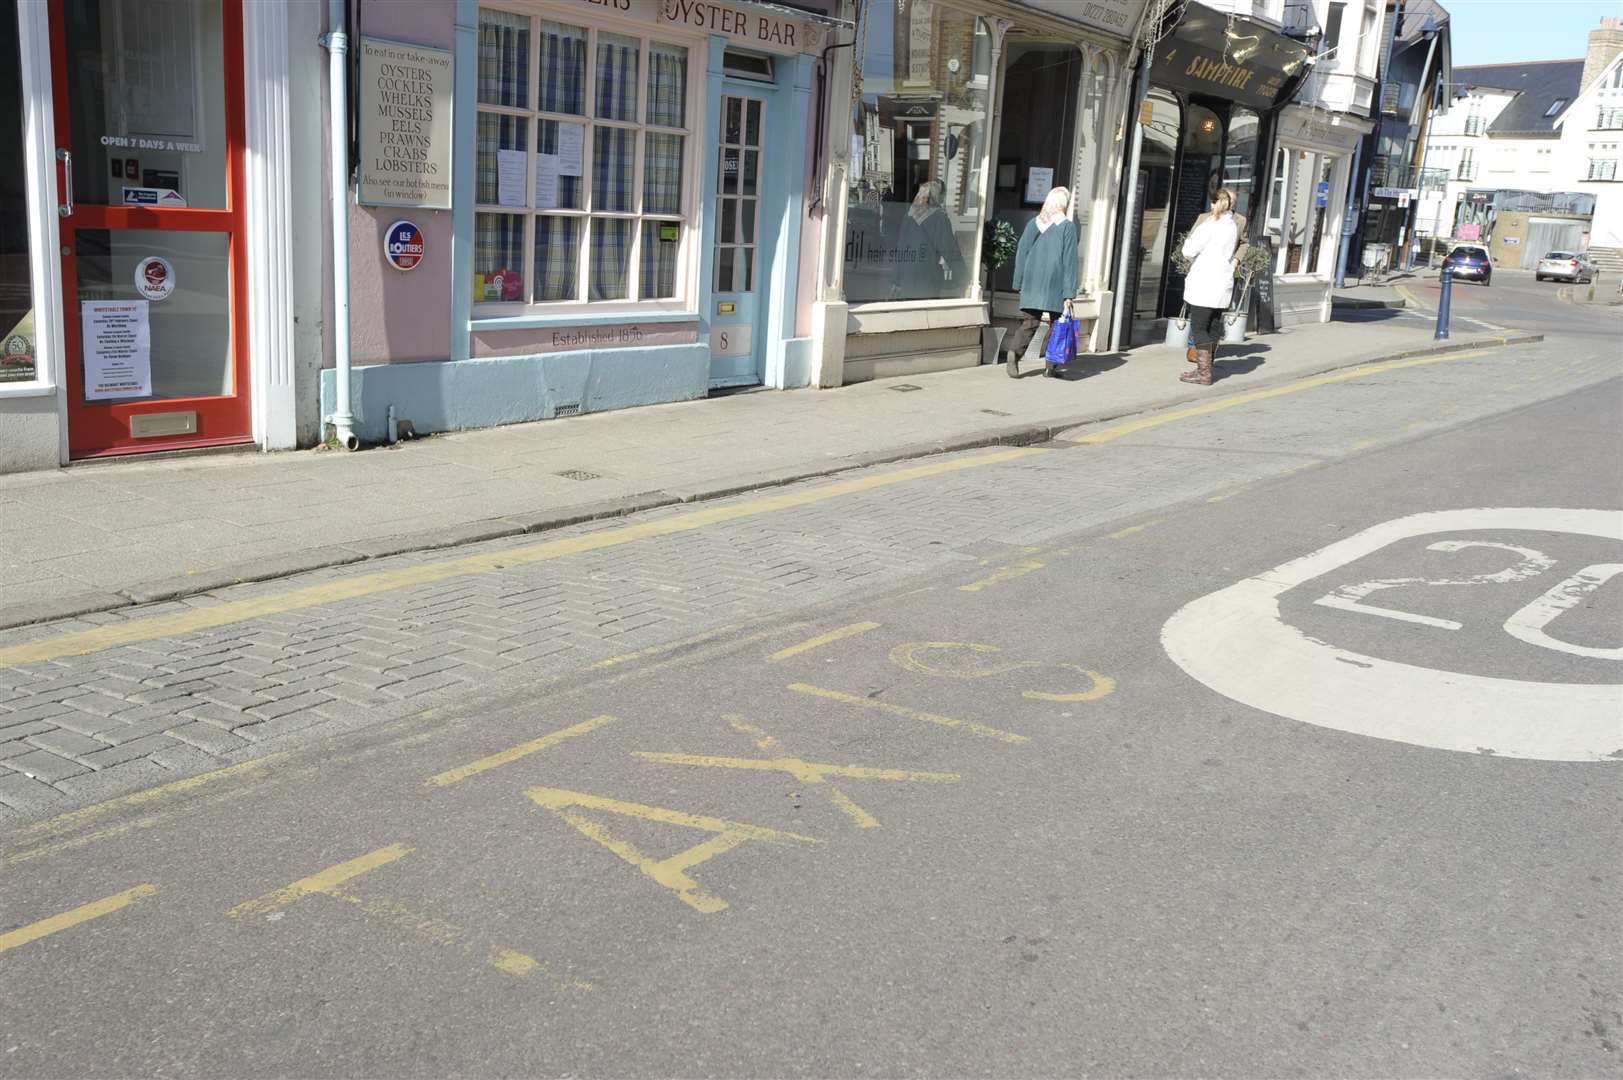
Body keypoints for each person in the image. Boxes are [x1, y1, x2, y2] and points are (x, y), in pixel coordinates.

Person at [1006, 186, 1080, 378]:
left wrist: (1018, 281)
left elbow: (1022, 253)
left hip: (1032, 281)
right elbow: (1069, 261)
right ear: (1064, 204)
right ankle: (1050, 367)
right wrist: (1069, 293)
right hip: (1055, 283)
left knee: (1030, 322)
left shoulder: (1034, 223)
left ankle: (1014, 352)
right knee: (1058, 325)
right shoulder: (1067, 227)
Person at [1178, 186, 1240, 386]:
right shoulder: (1231, 225)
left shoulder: (1209, 225)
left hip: (1205, 282)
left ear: (1214, 203)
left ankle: (1203, 373)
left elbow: (1188, 251)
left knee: (1199, 327)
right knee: (1213, 325)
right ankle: (1207, 369)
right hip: (1222, 283)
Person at [895, 180, 967, 300]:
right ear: (937, 196)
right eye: (943, 195)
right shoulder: (939, 217)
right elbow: (949, 249)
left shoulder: (909, 215)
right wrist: (964, 278)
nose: (944, 199)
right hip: (926, 276)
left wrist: (896, 279)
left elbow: (900, 247)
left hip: (906, 275)